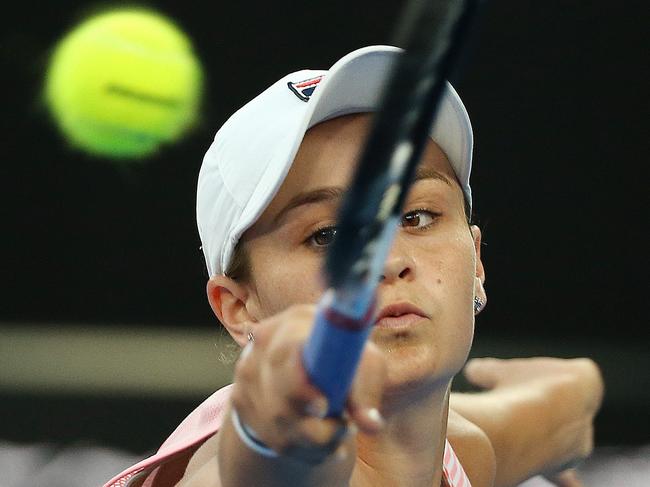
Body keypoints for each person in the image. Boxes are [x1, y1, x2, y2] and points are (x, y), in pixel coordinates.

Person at [105, 46, 603, 487]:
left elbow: (563, 408)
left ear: (477, 260)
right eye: (328, 236)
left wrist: (578, 394)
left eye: (417, 216)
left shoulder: (470, 451)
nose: (388, 260)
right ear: (239, 307)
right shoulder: (232, 470)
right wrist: (270, 434)